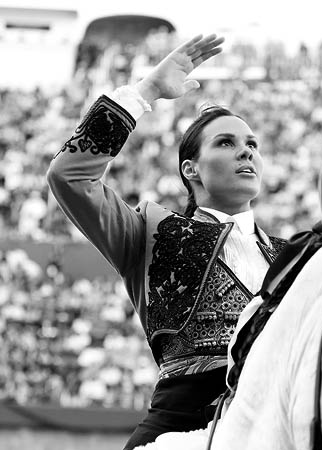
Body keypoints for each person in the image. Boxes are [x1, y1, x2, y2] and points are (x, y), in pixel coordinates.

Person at [46, 33, 287, 449]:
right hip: (179, 428)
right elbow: (70, 176)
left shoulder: (290, 256)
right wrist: (146, 91)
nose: (247, 152)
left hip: (275, 426)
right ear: (191, 170)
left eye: (252, 144)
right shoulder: (153, 233)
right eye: (226, 143)